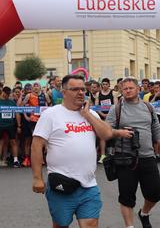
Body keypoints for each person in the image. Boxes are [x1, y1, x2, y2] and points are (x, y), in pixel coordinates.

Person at [31, 74, 113, 228]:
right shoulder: (51, 114)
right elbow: (36, 146)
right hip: (61, 184)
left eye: (83, 89)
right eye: (75, 89)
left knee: (90, 224)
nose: (80, 92)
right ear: (64, 92)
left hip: (89, 185)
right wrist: (37, 177)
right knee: (61, 225)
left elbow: (107, 134)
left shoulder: (91, 114)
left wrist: (88, 115)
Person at [106, 77, 160, 228]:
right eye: (124, 88)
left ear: (138, 89)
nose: (127, 91)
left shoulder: (148, 107)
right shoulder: (117, 109)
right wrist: (119, 132)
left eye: (130, 88)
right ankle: (130, 226)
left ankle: (144, 213)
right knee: (127, 196)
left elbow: (156, 129)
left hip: (147, 157)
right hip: (125, 158)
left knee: (155, 192)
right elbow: (106, 131)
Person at [0, 87, 22, 167]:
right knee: (1, 142)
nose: (7, 95)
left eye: (8, 94)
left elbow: (17, 113)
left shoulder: (12, 102)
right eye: (5, 93)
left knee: (13, 142)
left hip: (10, 125)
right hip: (1, 124)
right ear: (3, 92)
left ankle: (15, 160)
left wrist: (19, 125)